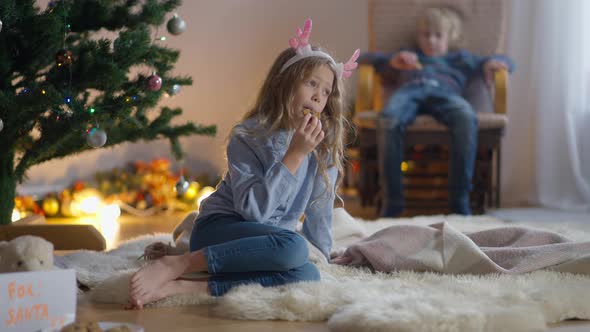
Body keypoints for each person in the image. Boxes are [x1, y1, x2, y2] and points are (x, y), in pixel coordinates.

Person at [126, 18, 359, 309]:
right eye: (311, 83)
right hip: (220, 230)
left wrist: (323, 257)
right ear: (284, 85)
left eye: (326, 91)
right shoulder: (249, 136)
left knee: (308, 272)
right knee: (294, 246)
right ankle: (181, 263)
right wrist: (295, 155)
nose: (318, 96)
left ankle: (185, 286)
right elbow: (254, 214)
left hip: (267, 243)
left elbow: (319, 210)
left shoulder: (321, 145)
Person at [364, 7, 514, 217]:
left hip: (447, 95)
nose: (431, 41)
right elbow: (366, 57)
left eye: (438, 35)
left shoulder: (461, 58)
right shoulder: (409, 55)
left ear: (450, 37)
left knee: (465, 116)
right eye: (426, 35)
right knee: (388, 118)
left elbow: (507, 62)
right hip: (410, 91)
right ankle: (393, 202)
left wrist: (494, 63)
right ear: (418, 36)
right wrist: (393, 60)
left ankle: (460, 202)